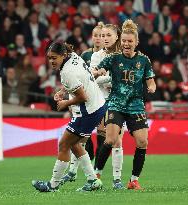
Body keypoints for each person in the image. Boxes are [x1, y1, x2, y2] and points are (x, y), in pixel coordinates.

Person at [32, 41, 106, 192]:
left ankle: (53, 185)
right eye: (49, 58)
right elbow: (81, 78)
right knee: (73, 144)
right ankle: (93, 180)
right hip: (98, 104)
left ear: (63, 55)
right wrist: (63, 90)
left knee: (64, 144)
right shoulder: (73, 56)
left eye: (54, 57)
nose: (51, 61)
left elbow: (82, 97)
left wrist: (66, 102)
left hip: (88, 110)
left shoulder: (66, 72)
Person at [60, 23, 125, 190]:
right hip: (99, 101)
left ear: (117, 36)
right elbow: (91, 80)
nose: (103, 39)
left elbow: (122, 79)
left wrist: (109, 77)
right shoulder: (95, 56)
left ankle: (116, 180)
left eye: (107, 35)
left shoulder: (124, 56)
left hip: (118, 101)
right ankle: (78, 172)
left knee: (116, 140)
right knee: (82, 137)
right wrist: (108, 78)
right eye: (101, 36)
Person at [95, 19, 156, 190]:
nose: (126, 44)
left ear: (136, 42)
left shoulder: (144, 60)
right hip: (116, 103)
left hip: (136, 105)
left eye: (130, 41)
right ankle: (96, 175)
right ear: (120, 42)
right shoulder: (113, 58)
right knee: (111, 139)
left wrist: (151, 87)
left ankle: (133, 181)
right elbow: (99, 70)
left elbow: (151, 81)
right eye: (124, 41)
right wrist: (96, 72)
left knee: (143, 142)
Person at [60, 22, 104, 181]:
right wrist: (65, 93)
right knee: (81, 138)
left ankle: (97, 173)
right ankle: (74, 171)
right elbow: (77, 80)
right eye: (96, 35)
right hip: (85, 102)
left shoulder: (110, 55)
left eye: (102, 35)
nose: (98, 39)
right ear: (91, 37)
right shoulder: (85, 55)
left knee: (104, 138)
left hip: (101, 100)